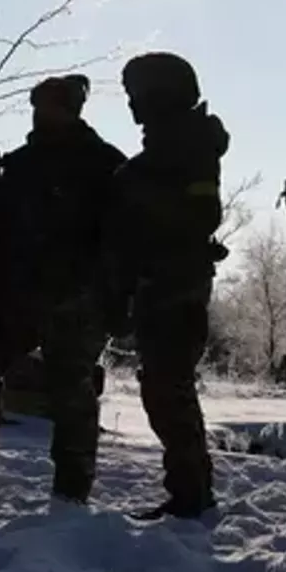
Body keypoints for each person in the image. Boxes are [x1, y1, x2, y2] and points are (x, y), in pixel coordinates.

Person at [0, 75, 123, 503]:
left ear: (71, 109)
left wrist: (114, 297)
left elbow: (122, 240)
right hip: (18, 291)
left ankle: (72, 488)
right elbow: (1, 232)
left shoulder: (105, 164)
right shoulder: (22, 164)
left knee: (72, 386)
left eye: (49, 106)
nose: (40, 114)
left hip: (78, 296)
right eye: (37, 106)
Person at [107, 53, 229, 521]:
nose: (131, 105)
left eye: (136, 94)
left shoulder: (189, 145)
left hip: (175, 282)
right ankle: (190, 491)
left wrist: (135, 188)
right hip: (160, 280)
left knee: (167, 388)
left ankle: (191, 494)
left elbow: (202, 214)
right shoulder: (168, 144)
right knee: (163, 387)